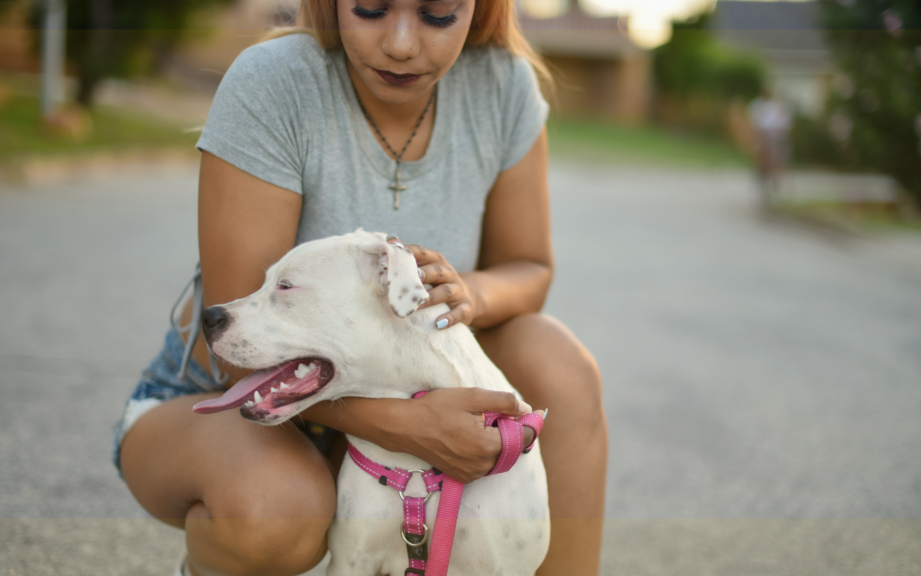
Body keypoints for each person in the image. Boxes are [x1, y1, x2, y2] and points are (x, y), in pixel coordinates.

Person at [113, 0, 607, 572]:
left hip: (403, 380)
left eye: (438, 14)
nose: (400, 42)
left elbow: (528, 265)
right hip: (239, 402)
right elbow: (241, 352)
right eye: (370, 8)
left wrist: (469, 292)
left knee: (557, 361)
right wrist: (412, 429)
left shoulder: (503, 84)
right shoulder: (274, 81)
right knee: (278, 511)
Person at [748, 88, 793, 206]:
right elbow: (759, 123)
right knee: (763, 156)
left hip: (777, 137)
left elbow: (785, 125)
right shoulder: (762, 106)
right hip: (766, 136)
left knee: (778, 159)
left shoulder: (779, 108)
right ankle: (762, 173)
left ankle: (776, 180)